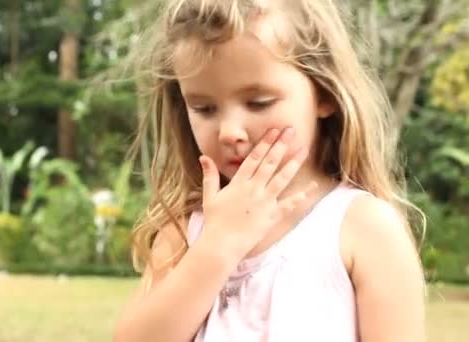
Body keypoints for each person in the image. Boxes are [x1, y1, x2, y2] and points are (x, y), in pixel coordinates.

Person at [114, 0, 426, 341]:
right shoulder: (185, 231)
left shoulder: (364, 227)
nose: (229, 131)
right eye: (204, 108)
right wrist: (218, 247)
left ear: (324, 94)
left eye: (258, 102)